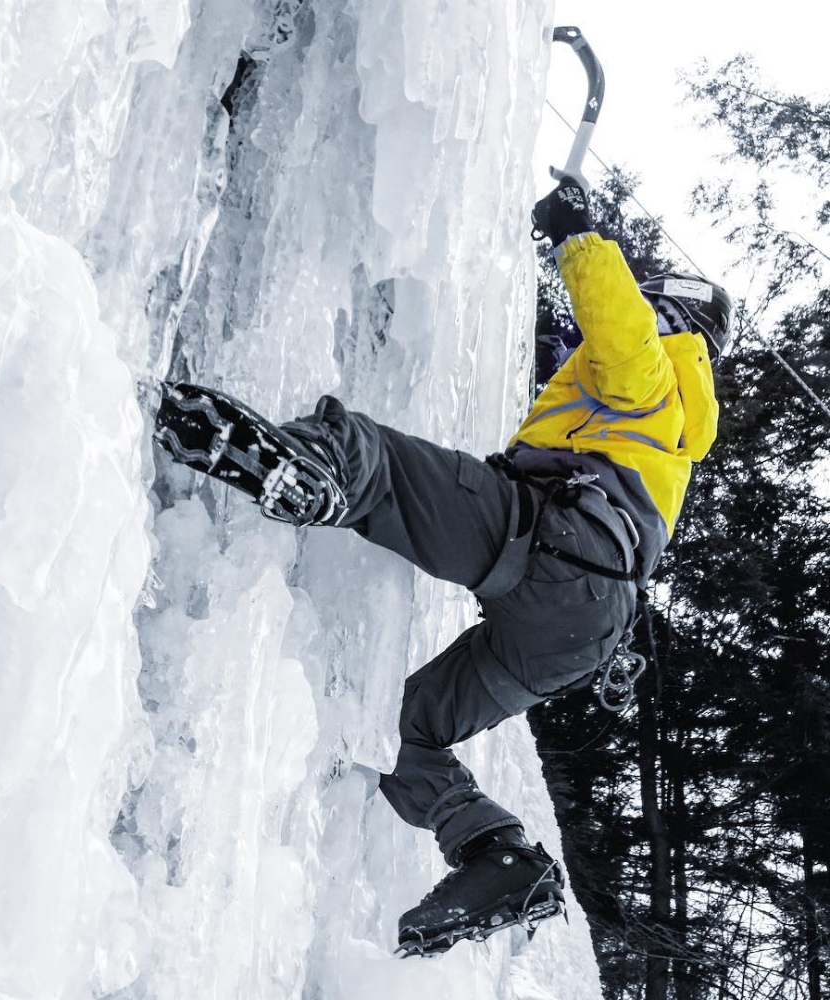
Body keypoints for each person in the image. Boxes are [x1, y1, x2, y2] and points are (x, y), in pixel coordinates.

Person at [152, 177, 733, 956]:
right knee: (407, 729)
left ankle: (312, 470)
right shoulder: (672, 438)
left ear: (676, 318)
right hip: (580, 630)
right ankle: (498, 854)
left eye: (654, 306)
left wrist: (579, 239)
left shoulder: (664, 369)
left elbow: (623, 338)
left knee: (376, 461)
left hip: (555, 543)